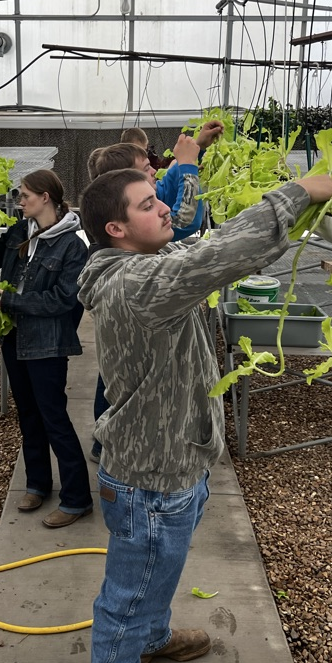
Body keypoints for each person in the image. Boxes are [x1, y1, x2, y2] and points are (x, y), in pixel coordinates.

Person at [77, 166, 332, 663]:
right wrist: (296, 194)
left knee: (156, 578)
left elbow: (197, 240)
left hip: (180, 460)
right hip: (150, 479)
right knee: (129, 593)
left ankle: (154, 636)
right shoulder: (137, 285)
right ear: (117, 228)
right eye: (149, 204)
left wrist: (189, 165)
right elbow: (216, 254)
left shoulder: (145, 266)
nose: (164, 208)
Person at [86, 118, 224, 464]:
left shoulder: (139, 211)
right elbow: (185, 219)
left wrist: (197, 149)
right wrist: (191, 164)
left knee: (117, 382)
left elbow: (169, 182)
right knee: (124, 388)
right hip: (153, 455)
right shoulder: (142, 236)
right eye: (148, 172)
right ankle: (109, 441)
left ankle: (107, 438)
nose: (156, 177)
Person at [0, 169, 93, 529]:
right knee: (29, 416)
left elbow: (64, 300)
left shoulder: (72, 245)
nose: (19, 201)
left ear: (45, 198)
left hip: (48, 344)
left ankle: (77, 499)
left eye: (25, 196)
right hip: (15, 338)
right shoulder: (20, 231)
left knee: (54, 419)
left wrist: (11, 301)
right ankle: (38, 483)